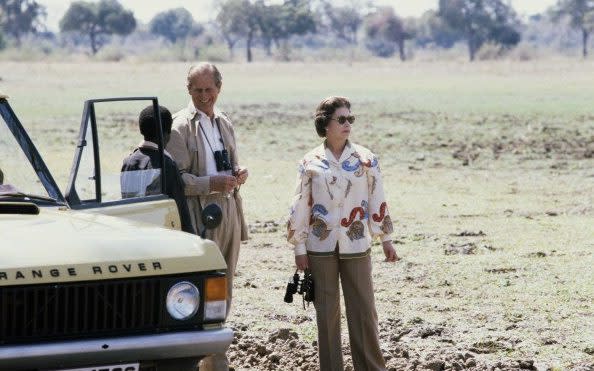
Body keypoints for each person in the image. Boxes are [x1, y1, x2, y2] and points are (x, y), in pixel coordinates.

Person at [287, 96, 400, 371]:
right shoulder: (309, 161)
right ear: (326, 124)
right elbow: (301, 205)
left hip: (357, 244)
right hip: (319, 247)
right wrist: (299, 248)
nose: (348, 124)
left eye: (351, 118)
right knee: (326, 314)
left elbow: (378, 198)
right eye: (342, 119)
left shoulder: (366, 159)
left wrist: (386, 239)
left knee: (363, 311)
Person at [166, 62, 248, 371]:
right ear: (188, 90)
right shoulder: (180, 127)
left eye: (209, 90)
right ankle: (209, 361)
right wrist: (209, 184)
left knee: (225, 286)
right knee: (204, 288)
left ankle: (213, 359)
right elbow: (175, 181)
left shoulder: (223, 121)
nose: (204, 96)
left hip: (228, 209)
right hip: (200, 215)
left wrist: (237, 174)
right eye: (197, 90)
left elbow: (229, 164)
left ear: (219, 89)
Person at [120, 105, 195, 234]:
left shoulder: (128, 162)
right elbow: (180, 210)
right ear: (167, 133)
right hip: (161, 236)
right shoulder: (167, 165)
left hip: (135, 233)